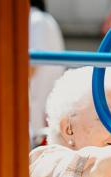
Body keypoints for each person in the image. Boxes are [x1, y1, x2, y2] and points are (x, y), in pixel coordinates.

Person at [29, 0, 65, 146]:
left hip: (39, 109)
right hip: (38, 109)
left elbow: (30, 67)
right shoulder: (39, 20)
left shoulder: (38, 20)